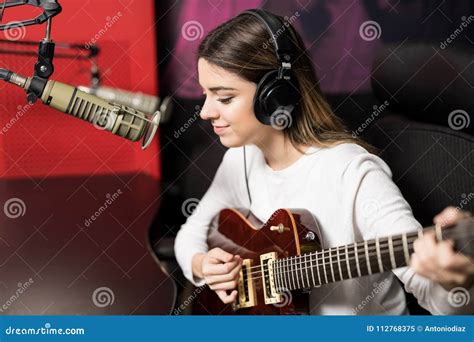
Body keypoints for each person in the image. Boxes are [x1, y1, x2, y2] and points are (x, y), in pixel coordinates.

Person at [174, 9, 473, 314]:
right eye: (205, 94)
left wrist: (456, 283)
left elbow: (431, 295)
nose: (205, 112)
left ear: (274, 97)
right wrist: (203, 264)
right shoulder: (240, 160)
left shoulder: (353, 173)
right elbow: (190, 234)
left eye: (223, 98)